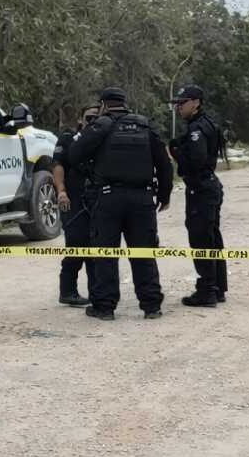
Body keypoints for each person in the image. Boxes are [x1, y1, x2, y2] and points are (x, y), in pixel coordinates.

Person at [70, 87, 173, 321]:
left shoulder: (101, 126)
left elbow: (75, 154)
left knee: (106, 253)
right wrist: (164, 196)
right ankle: (151, 306)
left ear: (104, 104)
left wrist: (91, 172)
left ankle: (104, 307)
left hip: (108, 198)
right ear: (124, 104)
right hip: (143, 199)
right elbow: (165, 164)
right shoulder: (145, 126)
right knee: (144, 252)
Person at [169, 84, 228, 306]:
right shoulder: (205, 124)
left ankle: (207, 291)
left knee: (201, 239)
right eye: (177, 104)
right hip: (207, 187)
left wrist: (176, 153)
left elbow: (196, 161)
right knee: (212, 238)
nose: (179, 108)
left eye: (182, 103)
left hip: (201, 188)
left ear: (196, 103)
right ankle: (217, 287)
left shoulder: (196, 129)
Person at [53, 103, 100, 307]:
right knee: (76, 244)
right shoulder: (68, 138)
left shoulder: (103, 138)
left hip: (97, 200)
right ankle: (68, 291)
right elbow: (57, 165)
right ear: (81, 120)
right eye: (89, 118)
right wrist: (61, 191)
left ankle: (97, 292)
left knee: (96, 247)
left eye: (97, 118)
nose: (93, 122)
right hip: (72, 199)